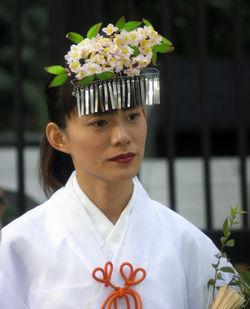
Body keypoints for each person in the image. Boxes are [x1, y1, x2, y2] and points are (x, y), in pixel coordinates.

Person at [0, 18, 232, 309]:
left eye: (133, 116)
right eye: (100, 123)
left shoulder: (187, 245)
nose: (122, 137)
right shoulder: (17, 246)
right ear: (59, 138)